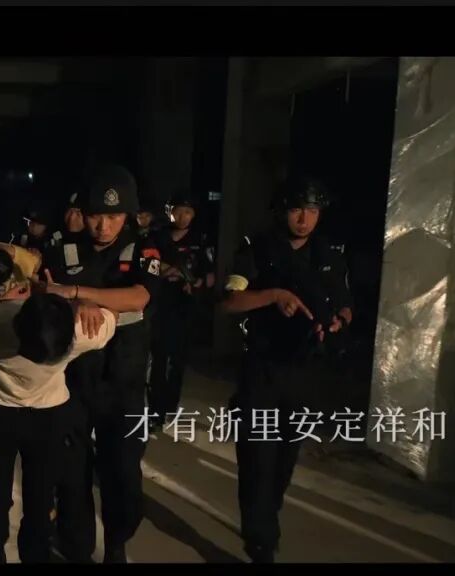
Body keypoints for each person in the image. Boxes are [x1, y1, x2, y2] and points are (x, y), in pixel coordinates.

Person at [219, 176, 353, 563]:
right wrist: (273, 296)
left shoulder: (329, 254)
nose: (304, 219)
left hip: (304, 372)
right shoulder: (257, 248)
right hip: (262, 369)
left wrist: (337, 323)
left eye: (312, 211)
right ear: (281, 211)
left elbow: (346, 305)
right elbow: (230, 301)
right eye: (297, 210)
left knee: (282, 463)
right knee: (257, 461)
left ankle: (265, 519)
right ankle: (260, 543)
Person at [39, 164, 162, 563]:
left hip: (124, 383)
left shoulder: (142, 249)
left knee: (123, 473)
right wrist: (72, 302)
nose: (103, 226)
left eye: (113, 217)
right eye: (95, 216)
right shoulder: (63, 248)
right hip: (72, 381)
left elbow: (139, 296)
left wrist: (80, 293)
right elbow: (45, 291)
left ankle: (117, 541)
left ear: (128, 215)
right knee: (72, 473)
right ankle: (76, 547)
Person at [0, 285, 117, 564]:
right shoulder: (81, 330)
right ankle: (19, 551)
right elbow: (114, 316)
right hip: (45, 416)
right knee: (37, 494)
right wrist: (84, 301)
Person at [146, 192, 215, 428]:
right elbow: (148, 264)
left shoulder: (200, 240)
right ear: (170, 212)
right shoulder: (157, 237)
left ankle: (169, 407)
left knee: (177, 360)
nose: (183, 216)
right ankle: (155, 409)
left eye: (188, 212)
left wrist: (196, 284)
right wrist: (167, 271)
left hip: (184, 307)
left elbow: (209, 275)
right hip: (159, 305)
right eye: (178, 211)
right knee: (157, 358)